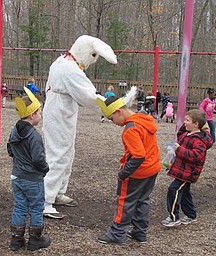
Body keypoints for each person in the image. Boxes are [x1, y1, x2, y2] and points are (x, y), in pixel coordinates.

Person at [42, 35, 117, 219]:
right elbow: (88, 95)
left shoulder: (62, 62)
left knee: (67, 152)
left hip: (61, 112)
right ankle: (45, 200)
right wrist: (112, 108)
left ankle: (57, 192)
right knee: (58, 154)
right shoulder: (70, 69)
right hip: (59, 113)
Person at [96, 94, 161, 245]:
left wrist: (123, 174)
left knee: (125, 202)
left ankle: (117, 233)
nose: (113, 123)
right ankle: (140, 232)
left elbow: (138, 155)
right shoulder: (144, 119)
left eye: (112, 119)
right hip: (152, 168)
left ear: (119, 111)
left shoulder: (130, 129)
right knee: (142, 200)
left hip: (137, 173)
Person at [7, 87, 51, 251]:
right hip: (33, 179)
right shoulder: (34, 135)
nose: (40, 115)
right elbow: (38, 159)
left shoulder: (15, 130)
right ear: (32, 114)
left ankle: (16, 240)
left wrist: (19, 161)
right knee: (37, 207)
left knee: (19, 206)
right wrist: (45, 169)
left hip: (17, 177)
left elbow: (10, 148)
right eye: (39, 112)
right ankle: (35, 239)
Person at [161, 109, 213, 227]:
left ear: (196, 124)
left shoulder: (198, 141)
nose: (184, 122)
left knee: (173, 189)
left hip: (188, 172)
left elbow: (196, 156)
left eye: (187, 120)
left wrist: (179, 149)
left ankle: (174, 217)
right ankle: (191, 215)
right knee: (184, 193)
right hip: (183, 170)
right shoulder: (187, 134)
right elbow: (180, 135)